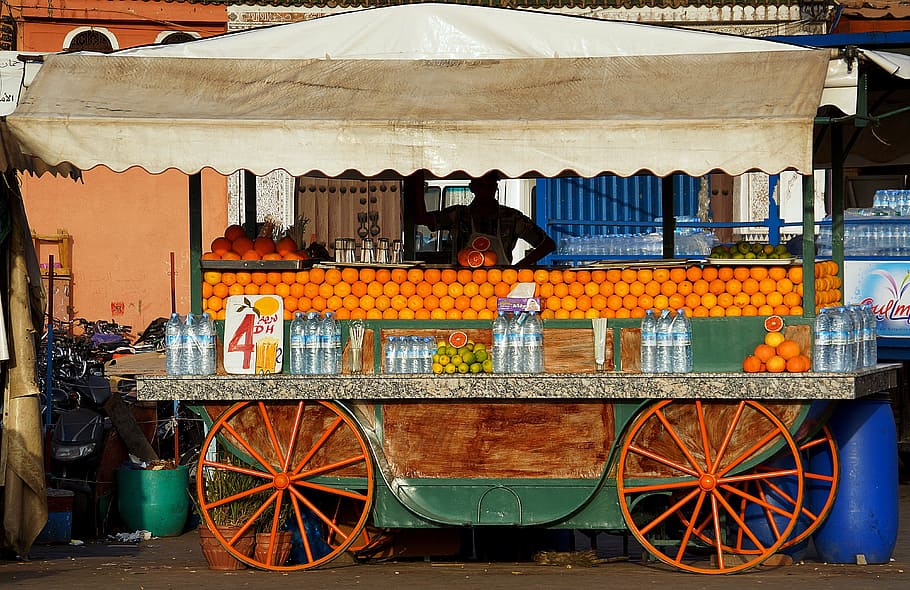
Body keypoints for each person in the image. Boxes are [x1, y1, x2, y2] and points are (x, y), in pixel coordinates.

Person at [414, 171, 555, 266]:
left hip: (500, 285)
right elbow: (422, 219)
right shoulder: (458, 215)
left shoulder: (512, 218)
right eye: (482, 186)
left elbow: (548, 244)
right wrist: (416, 180)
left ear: (495, 187)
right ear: (472, 187)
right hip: (461, 288)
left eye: (490, 186)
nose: (486, 191)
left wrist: (518, 268)